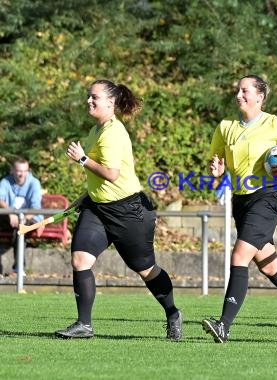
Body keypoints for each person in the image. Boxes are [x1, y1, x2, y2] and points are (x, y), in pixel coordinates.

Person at [55, 79, 182, 341]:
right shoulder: (95, 131)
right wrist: (86, 196)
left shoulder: (114, 132)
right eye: (89, 96)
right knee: (80, 260)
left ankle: (172, 313)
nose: (89, 101)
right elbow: (100, 176)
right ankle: (84, 325)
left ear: (111, 103)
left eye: (95, 98)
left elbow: (112, 174)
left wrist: (82, 159)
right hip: (98, 209)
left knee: (145, 269)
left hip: (128, 211)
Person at [202, 74, 277, 343]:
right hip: (241, 201)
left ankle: (224, 325)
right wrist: (219, 170)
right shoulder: (225, 127)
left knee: (239, 256)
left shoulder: (275, 125)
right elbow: (220, 164)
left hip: (266, 198)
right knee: (269, 267)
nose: (239, 95)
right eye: (238, 90)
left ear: (260, 97)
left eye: (245, 91)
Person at [0, 157, 44, 276]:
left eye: (25, 171)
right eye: (19, 171)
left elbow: (35, 208)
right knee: (17, 227)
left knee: (20, 228)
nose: (21, 174)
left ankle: (18, 268)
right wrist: (10, 212)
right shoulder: (5, 181)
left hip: (31, 217)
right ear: (12, 170)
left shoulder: (34, 183)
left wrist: (20, 218)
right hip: (11, 218)